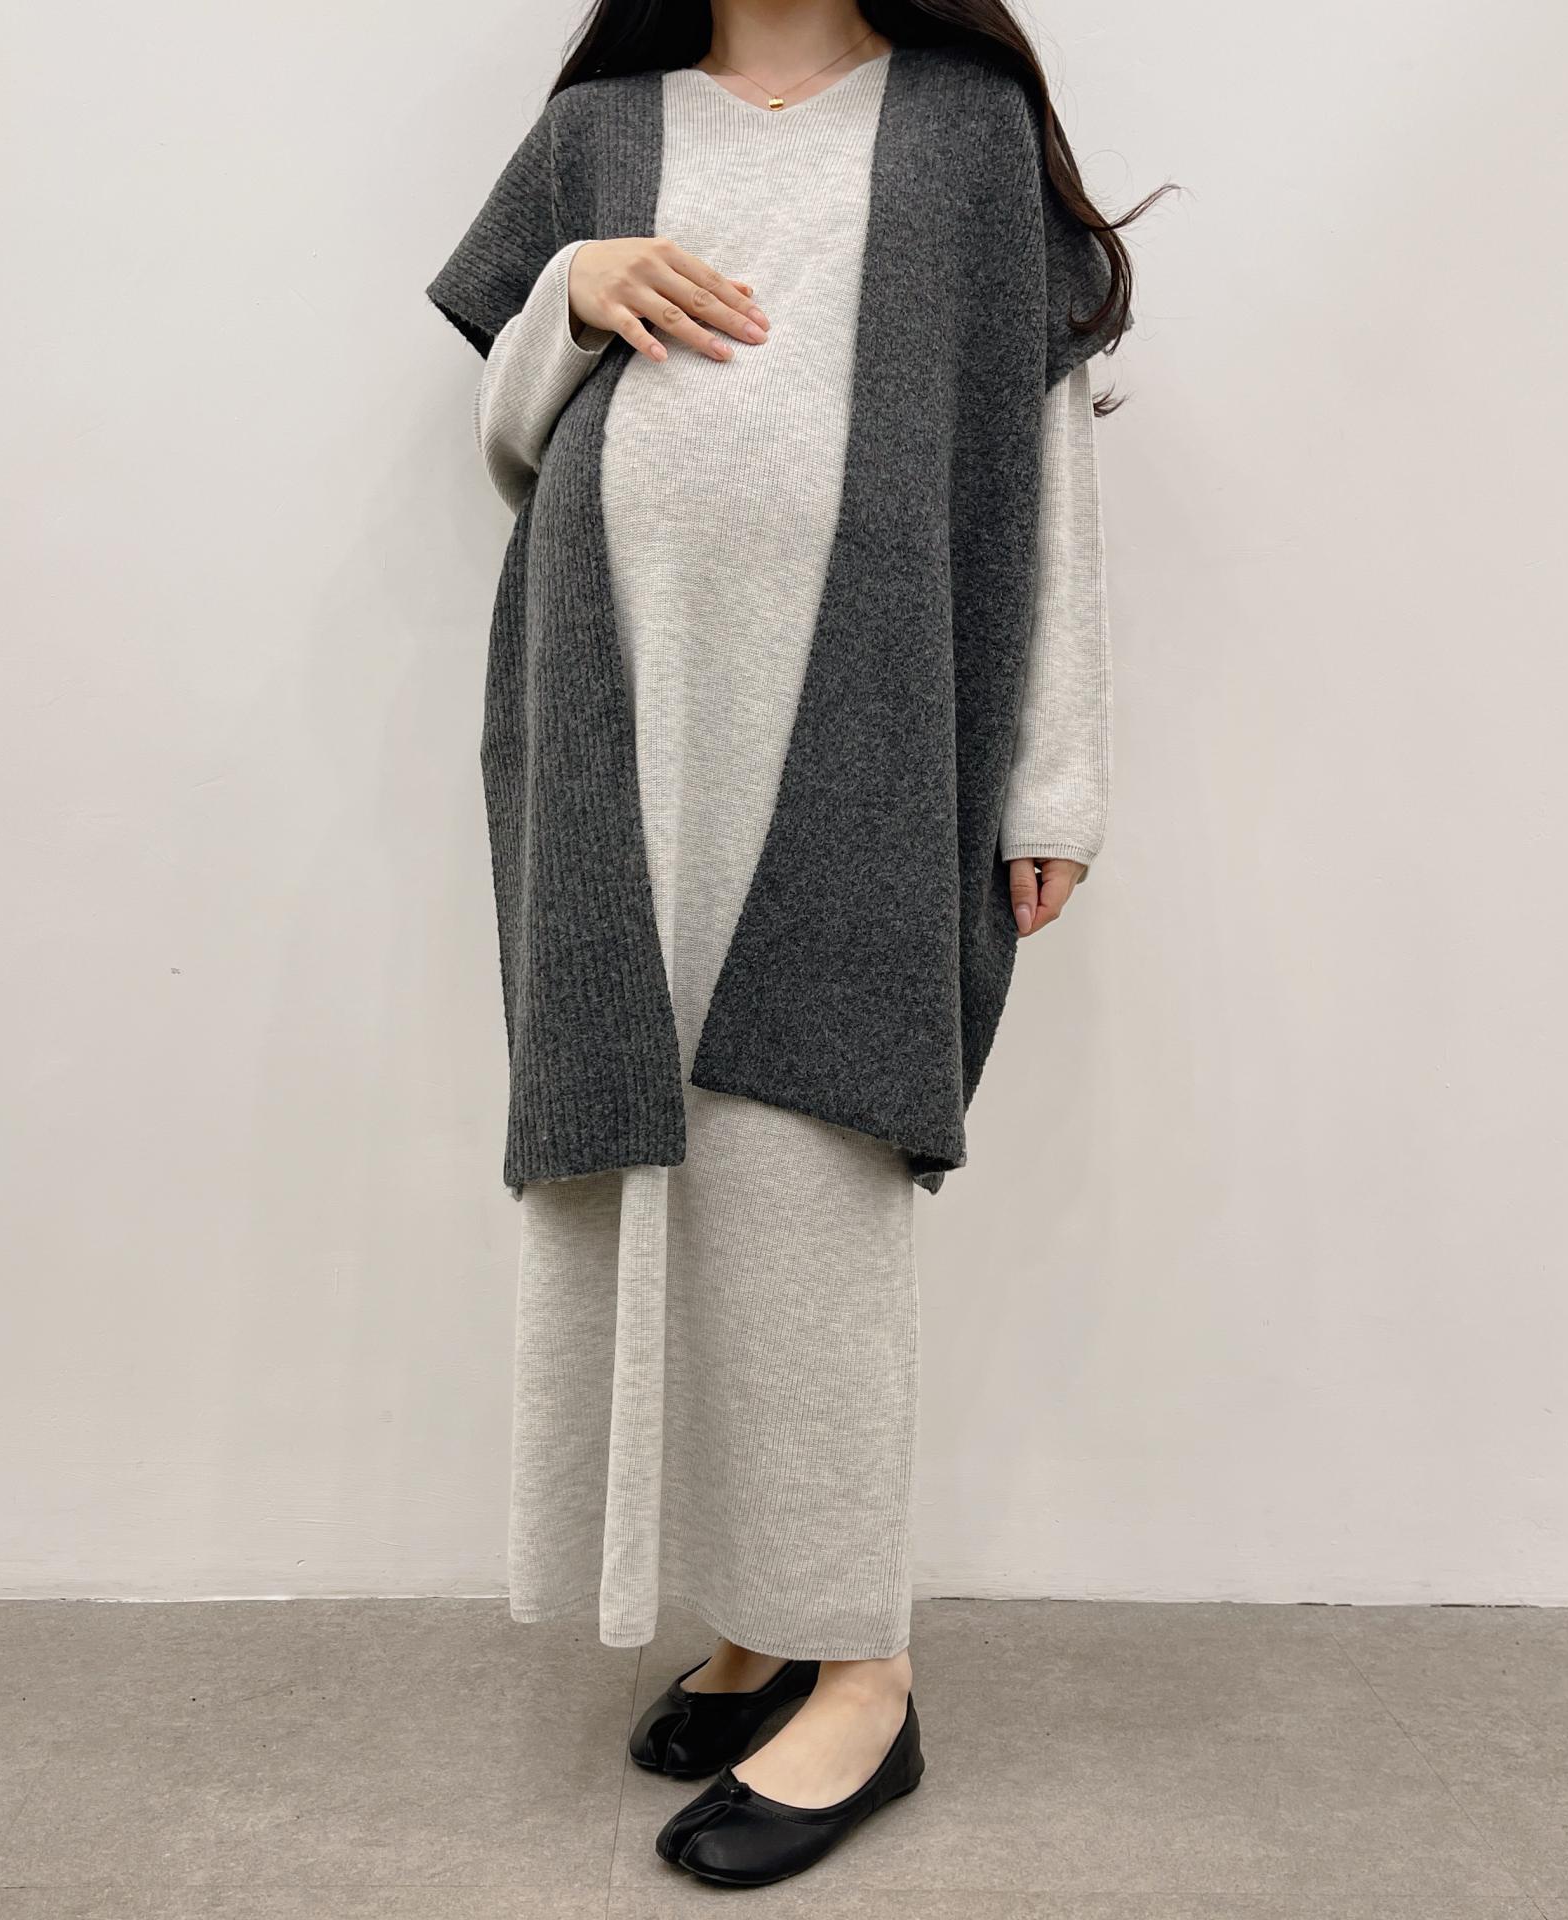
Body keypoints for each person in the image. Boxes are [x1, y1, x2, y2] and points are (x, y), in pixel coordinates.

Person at [428, 0, 1154, 1890]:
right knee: (637, 1171)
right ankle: (759, 1619)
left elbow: (1041, 453)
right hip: (616, 714)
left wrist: (1053, 778)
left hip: (858, 725)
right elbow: (508, 438)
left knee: (807, 1177)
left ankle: (865, 1671)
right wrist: (568, 293)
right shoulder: (602, 126)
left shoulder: (964, 129)